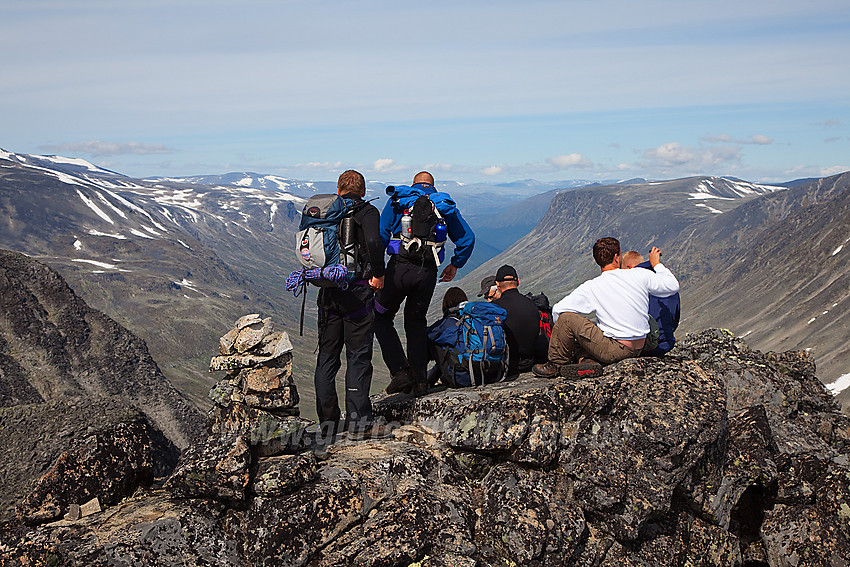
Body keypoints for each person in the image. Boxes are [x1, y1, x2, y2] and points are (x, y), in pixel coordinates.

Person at [375, 171, 475, 395]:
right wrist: (455, 264)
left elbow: (381, 233)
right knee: (416, 323)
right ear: (433, 186)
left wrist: (377, 270)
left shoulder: (400, 200)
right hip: (427, 273)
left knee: (380, 316)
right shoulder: (443, 206)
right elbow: (468, 239)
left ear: (414, 185)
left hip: (399, 270)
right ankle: (420, 382)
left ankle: (401, 372)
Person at [533, 237, 679, 379]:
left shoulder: (593, 286)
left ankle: (556, 364)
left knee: (567, 319)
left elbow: (558, 310)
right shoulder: (639, 274)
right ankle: (587, 361)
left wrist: (566, 339)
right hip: (641, 346)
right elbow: (672, 286)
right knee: (591, 330)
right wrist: (656, 264)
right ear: (616, 257)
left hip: (615, 350)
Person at [313, 170, 386, 439]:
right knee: (357, 356)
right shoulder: (367, 212)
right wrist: (378, 274)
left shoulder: (326, 212)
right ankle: (358, 424)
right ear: (363, 191)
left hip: (328, 293)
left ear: (338, 188)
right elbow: (373, 242)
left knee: (327, 358)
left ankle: (327, 424)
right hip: (356, 293)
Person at [621, 250, 681, 356]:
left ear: (629, 268)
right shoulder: (666, 283)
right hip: (666, 344)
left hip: (643, 347)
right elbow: (675, 318)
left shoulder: (632, 284)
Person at [492, 265, 544, 377]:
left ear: (497, 284)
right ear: (518, 282)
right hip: (530, 364)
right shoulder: (532, 304)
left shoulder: (494, 308)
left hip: (506, 367)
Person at [425, 287, 468, 387]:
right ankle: (429, 379)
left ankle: (420, 381)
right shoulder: (473, 320)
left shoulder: (445, 324)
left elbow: (425, 337)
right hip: (486, 373)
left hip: (463, 378)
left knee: (433, 343)